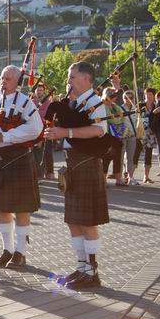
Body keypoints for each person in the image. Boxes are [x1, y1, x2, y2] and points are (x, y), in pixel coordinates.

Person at [45, 62, 110, 290]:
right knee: (73, 221)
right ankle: (82, 267)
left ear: (87, 78)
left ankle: (93, 273)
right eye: (69, 76)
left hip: (87, 163)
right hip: (73, 164)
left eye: (73, 76)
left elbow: (99, 130)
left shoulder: (95, 103)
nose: (69, 80)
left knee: (87, 221)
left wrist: (66, 132)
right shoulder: (74, 104)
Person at [0, 66, 43, 270]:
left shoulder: (26, 102)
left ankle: (20, 252)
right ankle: (7, 250)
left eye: (8, 79)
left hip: (20, 157)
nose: (3, 82)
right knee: (1, 207)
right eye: (2, 78)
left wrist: (5, 136)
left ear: (17, 81)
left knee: (22, 207)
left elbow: (35, 129)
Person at [101, 88, 128, 187]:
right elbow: (113, 120)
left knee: (117, 158)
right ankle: (103, 180)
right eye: (113, 95)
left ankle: (119, 180)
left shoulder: (114, 106)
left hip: (117, 136)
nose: (115, 97)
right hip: (107, 136)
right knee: (106, 158)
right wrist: (119, 119)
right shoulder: (102, 105)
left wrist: (119, 118)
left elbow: (123, 116)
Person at [32, 84, 55, 179]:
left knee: (47, 151)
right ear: (35, 91)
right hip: (34, 130)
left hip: (46, 128)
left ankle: (50, 172)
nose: (39, 92)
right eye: (38, 90)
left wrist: (37, 115)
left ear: (44, 92)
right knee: (36, 152)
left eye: (41, 90)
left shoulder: (48, 103)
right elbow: (30, 115)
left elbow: (46, 115)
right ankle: (37, 173)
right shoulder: (31, 102)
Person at [135, 88, 158, 184]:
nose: (148, 96)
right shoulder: (140, 106)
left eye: (150, 94)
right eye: (146, 94)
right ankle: (129, 175)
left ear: (153, 96)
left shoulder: (156, 106)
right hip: (141, 132)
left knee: (148, 154)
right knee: (136, 153)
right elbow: (135, 116)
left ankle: (146, 176)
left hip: (151, 133)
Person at [121, 90, 140, 186]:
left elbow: (139, 121)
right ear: (123, 99)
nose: (128, 100)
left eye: (130, 98)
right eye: (126, 98)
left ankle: (130, 177)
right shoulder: (119, 109)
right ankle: (120, 177)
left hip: (133, 136)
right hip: (122, 136)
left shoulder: (136, 109)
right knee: (120, 157)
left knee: (131, 158)